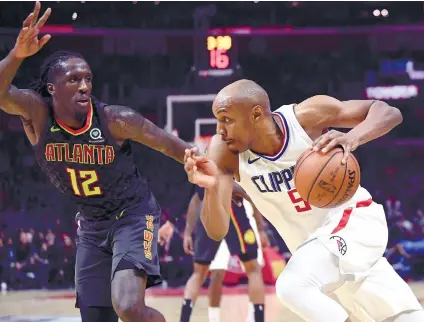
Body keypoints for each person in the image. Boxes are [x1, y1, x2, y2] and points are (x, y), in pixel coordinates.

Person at [0, 3, 241, 322]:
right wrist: (17, 54)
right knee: (95, 317)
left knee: (127, 305)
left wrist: (225, 179)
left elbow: (174, 146)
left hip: (133, 215)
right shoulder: (38, 113)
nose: (85, 85)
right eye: (74, 79)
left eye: (88, 79)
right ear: (52, 88)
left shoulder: (115, 120)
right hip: (91, 222)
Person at [184, 79, 424, 322]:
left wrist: (352, 138)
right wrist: (212, 188)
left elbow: (388, 112)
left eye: (227, 119)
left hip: (353, 221)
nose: (219, 129)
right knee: (406, 316)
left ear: (255, 114)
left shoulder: (305, 118)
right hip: (317, 251)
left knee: (293, 286)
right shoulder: (226, 152)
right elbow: (216, 231)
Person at [180, 185, 268, 322]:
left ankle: (184, 319)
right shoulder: (230, 166)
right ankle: (258, 318)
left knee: (198, 273)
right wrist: (261, 228)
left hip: (207, 212)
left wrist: (187, 232)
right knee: (253, 269)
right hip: (230, 208)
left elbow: (196, 199)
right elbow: (251, 196)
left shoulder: (201, 168)